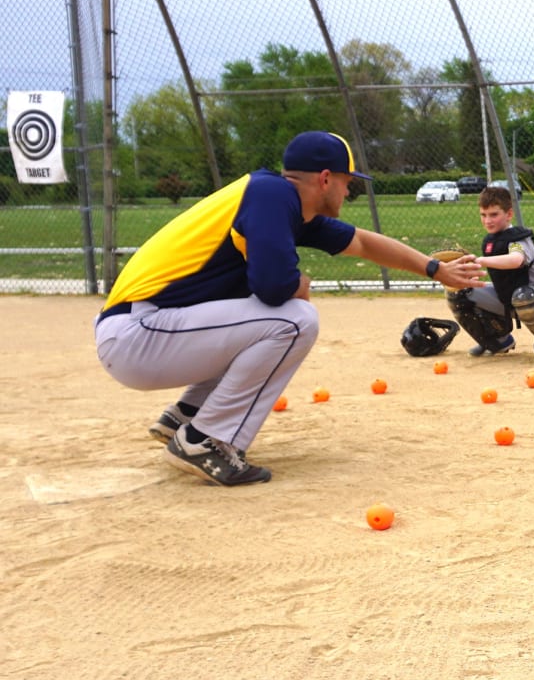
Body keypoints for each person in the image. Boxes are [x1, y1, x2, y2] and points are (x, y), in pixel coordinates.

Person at [95, 131, 484, 486]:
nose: (349, 193)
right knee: (294, 320)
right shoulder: (271, 196)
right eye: (348, 183)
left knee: (279, 318)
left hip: (149, 331)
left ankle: (187, 415)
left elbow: (364, 244)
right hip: (140, 334)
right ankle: (203, 439)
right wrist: (298, 286)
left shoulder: (286, 206)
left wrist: (436, 269)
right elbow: (273, 287)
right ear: (326, 178)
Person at [445, 186, 534, 360]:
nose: (488, 221)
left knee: (523, 296)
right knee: (459, 291)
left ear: (509, 214)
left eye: (494, 214)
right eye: (483, 215)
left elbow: (516, 259)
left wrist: (479, 261)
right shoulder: (490, 241)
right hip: (508, 297)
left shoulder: (517, 238)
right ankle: (497, 340)